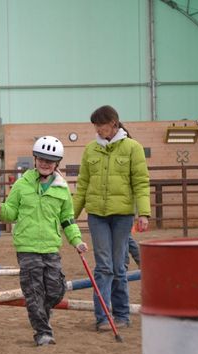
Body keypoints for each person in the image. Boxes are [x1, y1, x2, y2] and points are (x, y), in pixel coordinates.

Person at [0, 136, 87, 347]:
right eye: (41, 159)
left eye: (49, 161)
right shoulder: (22, 185)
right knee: (33, 292)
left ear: (56, 163)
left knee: (55, 290)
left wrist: (77, 241)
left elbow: (67, 219)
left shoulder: (62, 189)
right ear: (35, 159)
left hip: (51, 246)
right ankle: (43, 332)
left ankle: (41, 313)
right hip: (27, 247)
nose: (44, 163)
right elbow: (11, 212)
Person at [73, 105, 150, 332]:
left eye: (101, 124)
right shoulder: (90, 150)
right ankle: (103, 316)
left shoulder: (132, 148)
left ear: (113, 123)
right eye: (95, 125)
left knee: (118, 267)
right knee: (103, 266)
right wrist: (70, 216)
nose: (97, 129)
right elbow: (83, 185)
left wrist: (143, 213)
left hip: (123, 216)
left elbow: (141, 182)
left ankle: (122, 314)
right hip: (97, 215)